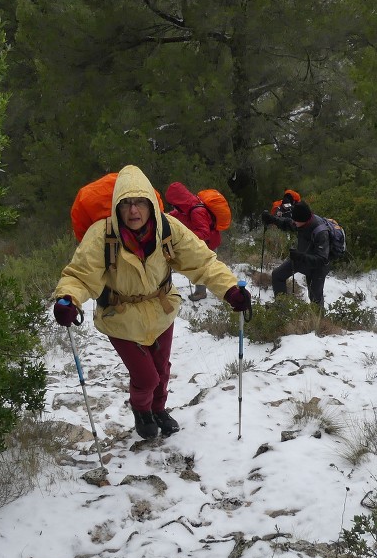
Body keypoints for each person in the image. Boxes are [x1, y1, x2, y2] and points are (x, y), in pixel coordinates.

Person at [53, 164, 252, 440]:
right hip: (119, 316)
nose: (134, 211)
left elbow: (203, 262)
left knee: (161, 369)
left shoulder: (168, 228)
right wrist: (68, 299)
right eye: (126, 204)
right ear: (117, 208)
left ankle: (159, 409)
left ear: (150, 204)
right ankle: (141, 410)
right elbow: (81, 275)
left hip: (161, 310)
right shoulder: (103, 235)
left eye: (140, 203)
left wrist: (230, 289)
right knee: (146, 377)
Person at [261, 199, 330, 305]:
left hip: (317, 267)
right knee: (277, 275)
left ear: (304, 220)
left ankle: (318, 321)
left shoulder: (321, 232)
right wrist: (271, 219)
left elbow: (322, 259)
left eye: (296, 221)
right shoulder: (301, 221)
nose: (294, 222)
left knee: (315, 298)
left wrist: (301, 256)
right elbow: (287, 223)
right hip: (301, 258)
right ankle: (281, 308)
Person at [164, 181, 221, 301]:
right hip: (205, 242)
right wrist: (166, 217)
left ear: (179, 200)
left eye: (174, 203)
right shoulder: (188, 205)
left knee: (202, 267)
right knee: (203, 266)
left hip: (209, 243)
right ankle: (209, 290)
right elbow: (178, 214)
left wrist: (186, 234)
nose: (174, 206)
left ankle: (204, 292)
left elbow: (204, 233)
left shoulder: (197, 211)